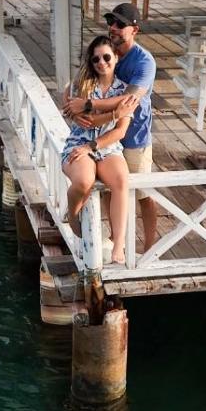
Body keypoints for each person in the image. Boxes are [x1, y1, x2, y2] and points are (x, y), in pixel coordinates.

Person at [63, 2, 158, 251]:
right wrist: (74, 112)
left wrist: (88, 105)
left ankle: (150, 248)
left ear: (134, 30)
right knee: (107, 189)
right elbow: (72, 87)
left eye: (120, 24)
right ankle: (117, 240)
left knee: (143, 194)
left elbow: (128, 100)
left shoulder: (144, 62)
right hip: (106, 139)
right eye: (110, 22)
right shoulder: (104, 51)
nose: (113, 27)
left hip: (133, 136)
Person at [61, 35, 133, 265]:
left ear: (116, 57)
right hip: (79, 142)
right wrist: (114, 113)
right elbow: (85, 120)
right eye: (96, 59)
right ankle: (73, 215)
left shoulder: (124, 91)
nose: (101, 63)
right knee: (84, 181)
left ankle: (118, 245)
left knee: (121, 180)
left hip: (107, 147)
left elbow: (120, 131)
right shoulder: (83, 85)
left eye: (106, 57)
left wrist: (94, 143)